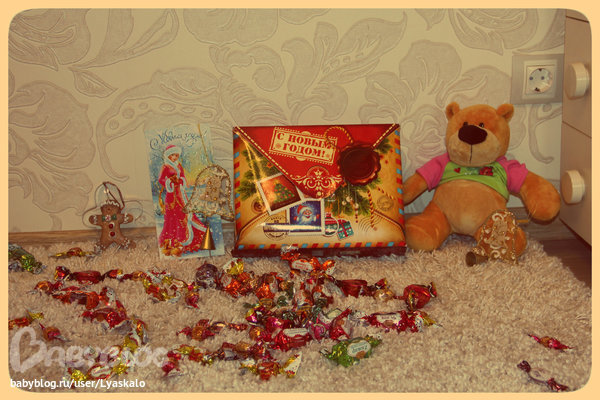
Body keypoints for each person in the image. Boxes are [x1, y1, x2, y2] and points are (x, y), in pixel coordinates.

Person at [157, 144, 207, 255]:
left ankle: (187, 238)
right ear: (168, 155)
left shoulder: (178, 165)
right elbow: (161, 179)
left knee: (184, 213)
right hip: (171, 195)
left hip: (180, 193)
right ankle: (174, 240)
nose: (175, 157)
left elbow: (183, 176)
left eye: (176, 155)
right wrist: (170, 181)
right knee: (174, 215)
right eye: (173, 155)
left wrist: (181, 181)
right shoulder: (165, 167)